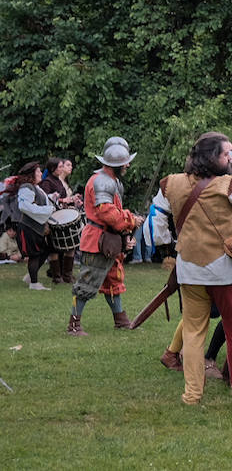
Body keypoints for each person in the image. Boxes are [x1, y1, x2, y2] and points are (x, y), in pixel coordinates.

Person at [161, 132, 232, 404]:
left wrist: (167, 242)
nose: (231, 157)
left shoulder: (172, 182)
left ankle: (192, 395)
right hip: (223, 271)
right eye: (226, 153)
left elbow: (159, 211)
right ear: (212, 157)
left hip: (189, 268)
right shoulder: (227, 184)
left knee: (193, 334)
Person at [68, 136, 145, 336]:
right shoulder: (101, 181)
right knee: (87, 283)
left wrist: (127, 228)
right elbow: (107, 213)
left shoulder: (112, 180)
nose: (127, 165)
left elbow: (114, 212)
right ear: (115, 164)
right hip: (97, 241)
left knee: (113, 281)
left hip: (108, 240)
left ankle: (121, 320)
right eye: (124, 163)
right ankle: (74, 325)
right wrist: (130, 220)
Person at [11, 162, 55, 290]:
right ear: (32, 174)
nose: (41, 173)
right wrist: (47, 211)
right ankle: (34, 283)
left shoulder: (35, 187)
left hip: (36, 227)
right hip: (28, 227)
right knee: (35, 254)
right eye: (38, 171)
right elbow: (24, 206)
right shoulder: (26, 187)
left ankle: (30, 276)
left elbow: (41, 201)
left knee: (45, 250)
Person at [40, 156, 80, 285]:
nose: (62, 169)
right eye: (60, 167)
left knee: (70, 247)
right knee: (54, 249)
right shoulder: (47, 182)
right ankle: (57, 277)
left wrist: (71, 200)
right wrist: (62, 200)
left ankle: (67, 275)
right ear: (53, 169)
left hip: (62, 218)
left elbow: (62, 198)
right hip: (53, 219)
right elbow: (44, 199)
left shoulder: (58, 181)